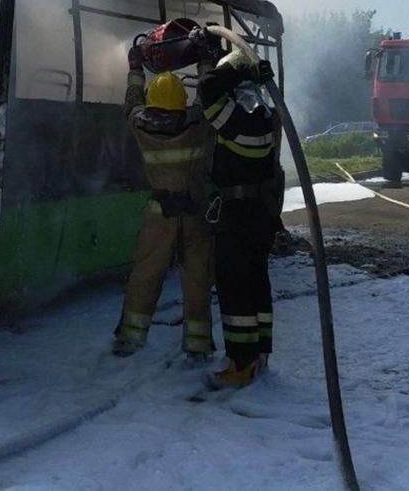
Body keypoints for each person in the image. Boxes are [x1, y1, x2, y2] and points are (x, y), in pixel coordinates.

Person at [112, 46, 215, 360]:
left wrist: (135, 68)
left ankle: (130, 337)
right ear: (180, 101)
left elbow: (131, 100)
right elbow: (208, 96)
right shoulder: (196, 124)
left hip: (159, 214)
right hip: (194, 214)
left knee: (145, 274)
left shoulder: (140, 124)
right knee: (197, 278)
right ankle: (197, 345)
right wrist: (205, 62)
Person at [195, 29, 283, 389]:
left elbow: (207, 89)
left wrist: (235, 63)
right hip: (261, 216)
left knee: (234, 288)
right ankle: (259, 353)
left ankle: (240, 362)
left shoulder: (238, 123)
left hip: (238, 215)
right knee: (256, 284)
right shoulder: (266, 117)